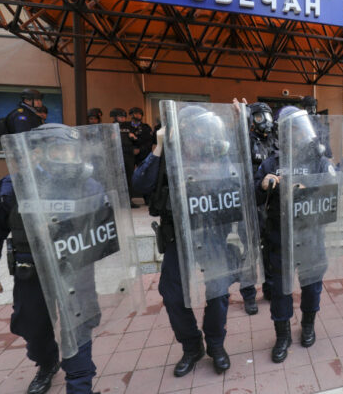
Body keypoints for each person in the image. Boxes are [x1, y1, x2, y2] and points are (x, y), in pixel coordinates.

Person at [0, 124, 108, 394]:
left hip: (75, 269)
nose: (68, 156)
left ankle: (79, 385)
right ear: (39, 153)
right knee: (32, 325)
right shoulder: (12, 187)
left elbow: (104, 224)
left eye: (72, 150)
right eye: (60, 150)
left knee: (78, 326)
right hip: (30, 270)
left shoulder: (89, 185)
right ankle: (46, 363)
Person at [133, 108, 233, 377]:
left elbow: (237, 181)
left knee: (218, 290)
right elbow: (140, 184)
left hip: (211, 231)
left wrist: (235, 122)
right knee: (172, 293)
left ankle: (215, 344)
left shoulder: (217, 153)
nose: (195, 135)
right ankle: (191, 347)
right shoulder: (167, 155)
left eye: (199, 129)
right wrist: (159, 147)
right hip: (178, 234)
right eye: (189, 129)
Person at [254, 106, 343, 363]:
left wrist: (310, 186)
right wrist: (263, 184)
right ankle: (282, 336)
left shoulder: (318, 160)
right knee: (281, 289)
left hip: (311, 234)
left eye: (297, 127)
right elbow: (254, 193)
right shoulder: (272, 162)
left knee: (312, 285)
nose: (295, 133)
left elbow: (334, 186)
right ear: (282, 132)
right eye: (289, 128)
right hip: (280, 235)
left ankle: (308, 325)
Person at [239, 102, 277, 315]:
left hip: (271, 205)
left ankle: (270, 288)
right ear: (252, 121)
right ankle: (248, 295)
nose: (265, 122)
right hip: (251, 204)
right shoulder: (244, 140)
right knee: (250, 252)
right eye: (260, 117)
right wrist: (239, 120)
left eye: (268, 117)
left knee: (271, 248)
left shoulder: (275, 141)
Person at [110, 108, 138, 207]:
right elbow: (107, 141)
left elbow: (136, 138)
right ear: (115, 117)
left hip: (128, 155)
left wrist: (133, 137)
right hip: (117, 155)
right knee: (117, 179)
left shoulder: (129, 126)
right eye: (121, 116)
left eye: (124, 117)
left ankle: (129, 200)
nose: (123, 118)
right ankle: (118, 201)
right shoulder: (111, 127)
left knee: (129, 178)